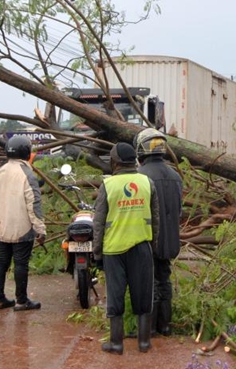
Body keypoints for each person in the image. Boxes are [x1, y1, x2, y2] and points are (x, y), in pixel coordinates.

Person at [93, 143, 159, 355]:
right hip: (142, 247)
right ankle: (144, 343)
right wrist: (153, 246)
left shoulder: (108, 185)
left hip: (114, 251)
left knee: (115, 296)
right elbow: (155, 219)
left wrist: (96, 253)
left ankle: (116, 343)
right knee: (143, 296)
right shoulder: (147, 183)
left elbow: (99, 222)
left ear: (114, 162)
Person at [0, 135, 46, 312]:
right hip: (22, 227)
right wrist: (40, 229)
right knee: (21, 263)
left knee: (2, 261)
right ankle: (21, 300)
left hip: (2, 225)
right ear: (27, 152)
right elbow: (33, 204)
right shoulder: (27, 174)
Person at [134, 128, 183, 337]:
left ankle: (150, 329)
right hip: (170, 239)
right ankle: (165, 326)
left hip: (148, 238)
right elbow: (179, 209)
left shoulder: (140, 176)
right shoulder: (175, 176)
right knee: (165, 279)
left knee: (149, 282)